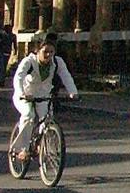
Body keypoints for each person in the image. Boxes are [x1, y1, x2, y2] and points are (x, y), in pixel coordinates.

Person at [8, 37, 79, 169]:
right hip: (25, 95)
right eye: (45, 51)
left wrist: (73, 92)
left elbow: (66, 76)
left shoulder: (57, 62)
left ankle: (46, 149)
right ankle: (23, 149)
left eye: (51, 52)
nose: (48, 55)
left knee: (47, 121)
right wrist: (22, 92)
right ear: (37, 50)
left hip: (43, 96)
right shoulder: (29, 62)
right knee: (29, 115)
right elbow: (18, 77)